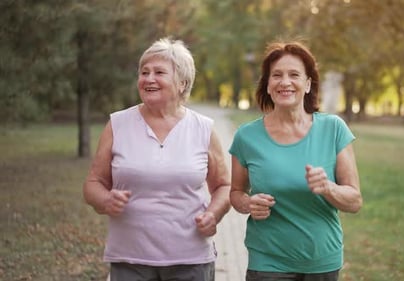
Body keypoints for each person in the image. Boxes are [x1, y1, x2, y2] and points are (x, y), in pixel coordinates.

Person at [83, 37, 231, 281]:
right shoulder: (118, 124)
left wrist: (213, 214)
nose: (148, 79)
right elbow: (93, 183)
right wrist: (105, 199)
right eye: (144, 72)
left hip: (191, 261)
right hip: (129, 260)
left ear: (182, 83)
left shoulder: (203, 128)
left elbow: (224, 186)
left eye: (159, 72)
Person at [229, 41, 362, 281]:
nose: (285, 82)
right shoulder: (246, 137)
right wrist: (249, 203)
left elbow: (354, 201)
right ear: (268, 85)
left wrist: (328, 188)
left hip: (322, 260)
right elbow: (236, 192)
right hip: (267, 260)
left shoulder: (333, 129)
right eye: (276, 75)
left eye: (294, 75)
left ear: (308, 84)